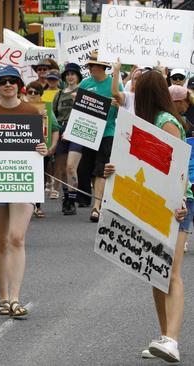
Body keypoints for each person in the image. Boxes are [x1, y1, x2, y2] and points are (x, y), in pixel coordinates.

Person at [104, 71, 191, 363]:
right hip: (150, 202)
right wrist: (112, 173)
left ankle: (172, 340)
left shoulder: (166, 122)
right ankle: (164, 337)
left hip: (175, 205)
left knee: (172, 271)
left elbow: (176, 167)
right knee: (155, 271)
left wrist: (180, 202)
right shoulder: (143, 123)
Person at [0, 65, 47, 319]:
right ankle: (2, 297)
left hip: (23, 180)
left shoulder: (32, 111)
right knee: (1, 239)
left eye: (12, 81)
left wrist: (43, 150)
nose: (7, 85)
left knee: (17, 237)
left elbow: (41, 146)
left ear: (18, 85)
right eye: (2, 81)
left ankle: (15, 298)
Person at [77, 51, 123, 223]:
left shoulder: (113, 83)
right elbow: (78, 109)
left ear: (102, 67)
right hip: (89, 132)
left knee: (101, 169)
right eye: (88, 65)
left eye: (92, 65)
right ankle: (95, 200)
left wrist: (117, 105)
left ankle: (97, 207)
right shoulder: (85, 83)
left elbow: (124, 106)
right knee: (86, 168)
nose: (90, 69)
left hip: (108, 131)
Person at [24, 81, 59, 218]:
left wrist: (53, 146)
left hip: (41, 149)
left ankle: (37, 206)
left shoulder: (47, 108)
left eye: (36, 92)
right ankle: (25, 205)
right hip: (24, 149)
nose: (32, 95)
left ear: (41, 94)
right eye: (30, 92)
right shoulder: (21, 107)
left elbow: (55, 129)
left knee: (39, 177)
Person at [52, 63, 83, 215]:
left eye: (73, 74)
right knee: (62, 168)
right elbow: (53, 116)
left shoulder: (83, 92)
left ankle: (72, 199)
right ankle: (66, 197)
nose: (70, 76)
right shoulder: (58, 94)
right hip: (61, 129)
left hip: (77, 129)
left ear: (78, 76)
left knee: (71, 166)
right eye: (68, 74)